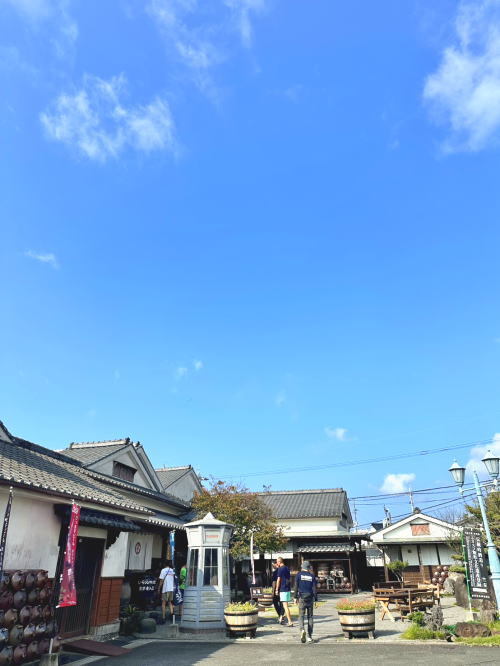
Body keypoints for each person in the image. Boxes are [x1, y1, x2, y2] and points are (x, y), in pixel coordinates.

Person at [294, 561, 317, 643]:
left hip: (302, 598)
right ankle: (309, 636)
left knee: (301, 616)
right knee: (310, 617)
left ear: (302, 567)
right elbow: (314, 589)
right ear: (308, 567)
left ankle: (302, 630)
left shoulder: (298, 575)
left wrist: (295, 597)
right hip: (310, 598)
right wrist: (316, 599)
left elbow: (296, 586)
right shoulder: (312, 576)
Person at [275, 557, 293, 627]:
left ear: (279, 562)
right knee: (283, 604)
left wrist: (277, 589)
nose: (276, 563)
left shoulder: (280, 569)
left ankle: (290, 622)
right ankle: (281, 618)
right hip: (287, 588)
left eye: (277, 562)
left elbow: (278, 580)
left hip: (283, 589)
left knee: (285, 606)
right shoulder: (287, 568)